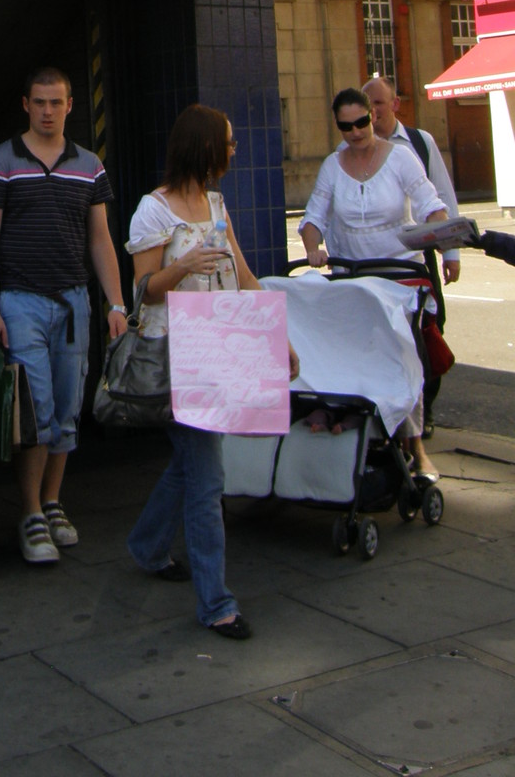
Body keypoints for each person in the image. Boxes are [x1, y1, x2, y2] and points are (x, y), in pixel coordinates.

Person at [125, 104, 298, 642]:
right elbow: (144, 290)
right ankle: (216, 604)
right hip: (178, 357)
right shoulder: (152, 211)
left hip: (218, 352)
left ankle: (148, 546)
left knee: (191, 464)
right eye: (228, 140)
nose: (234, 148)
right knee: (208, 478)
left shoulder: (216, 204)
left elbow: (242, 274)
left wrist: (279, 339)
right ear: (204, 146)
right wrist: (183, 265)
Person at [0, 67, 128, 565]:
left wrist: (116, 303)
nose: (46, 111)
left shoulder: (89, 165)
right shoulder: (0, 162)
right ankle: (32, 512)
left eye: (54, 102)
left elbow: (100, 239)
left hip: (74, 301)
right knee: (34, 410)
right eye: (38, 102)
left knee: (66, 408)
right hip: (20, 302)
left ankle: (53, 501)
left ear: (69, 105)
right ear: (25, 104)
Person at [299, 87, 447, 478]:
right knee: (346, 347)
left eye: (361, 122)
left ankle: (414, 445)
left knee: (401, 356)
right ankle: (347, 417)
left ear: (373, 117)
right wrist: (313, 247)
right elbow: (314, 215)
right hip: (353, 277)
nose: (355, 132)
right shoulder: (333, 165)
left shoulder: (400, 158)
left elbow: (431, 204)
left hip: (398, 276)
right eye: (345, 126)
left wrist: (447, 243)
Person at [362, 74, 460, 433]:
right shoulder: (358, 148)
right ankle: (392, 412)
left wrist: (452, 254)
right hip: (374, 261)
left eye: (378, 104)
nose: (372, 112)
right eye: (367, 105)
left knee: (430, 330)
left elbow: (444, 197)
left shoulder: (420, 142)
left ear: (396, 104)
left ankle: (425, 409)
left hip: (419, 255)